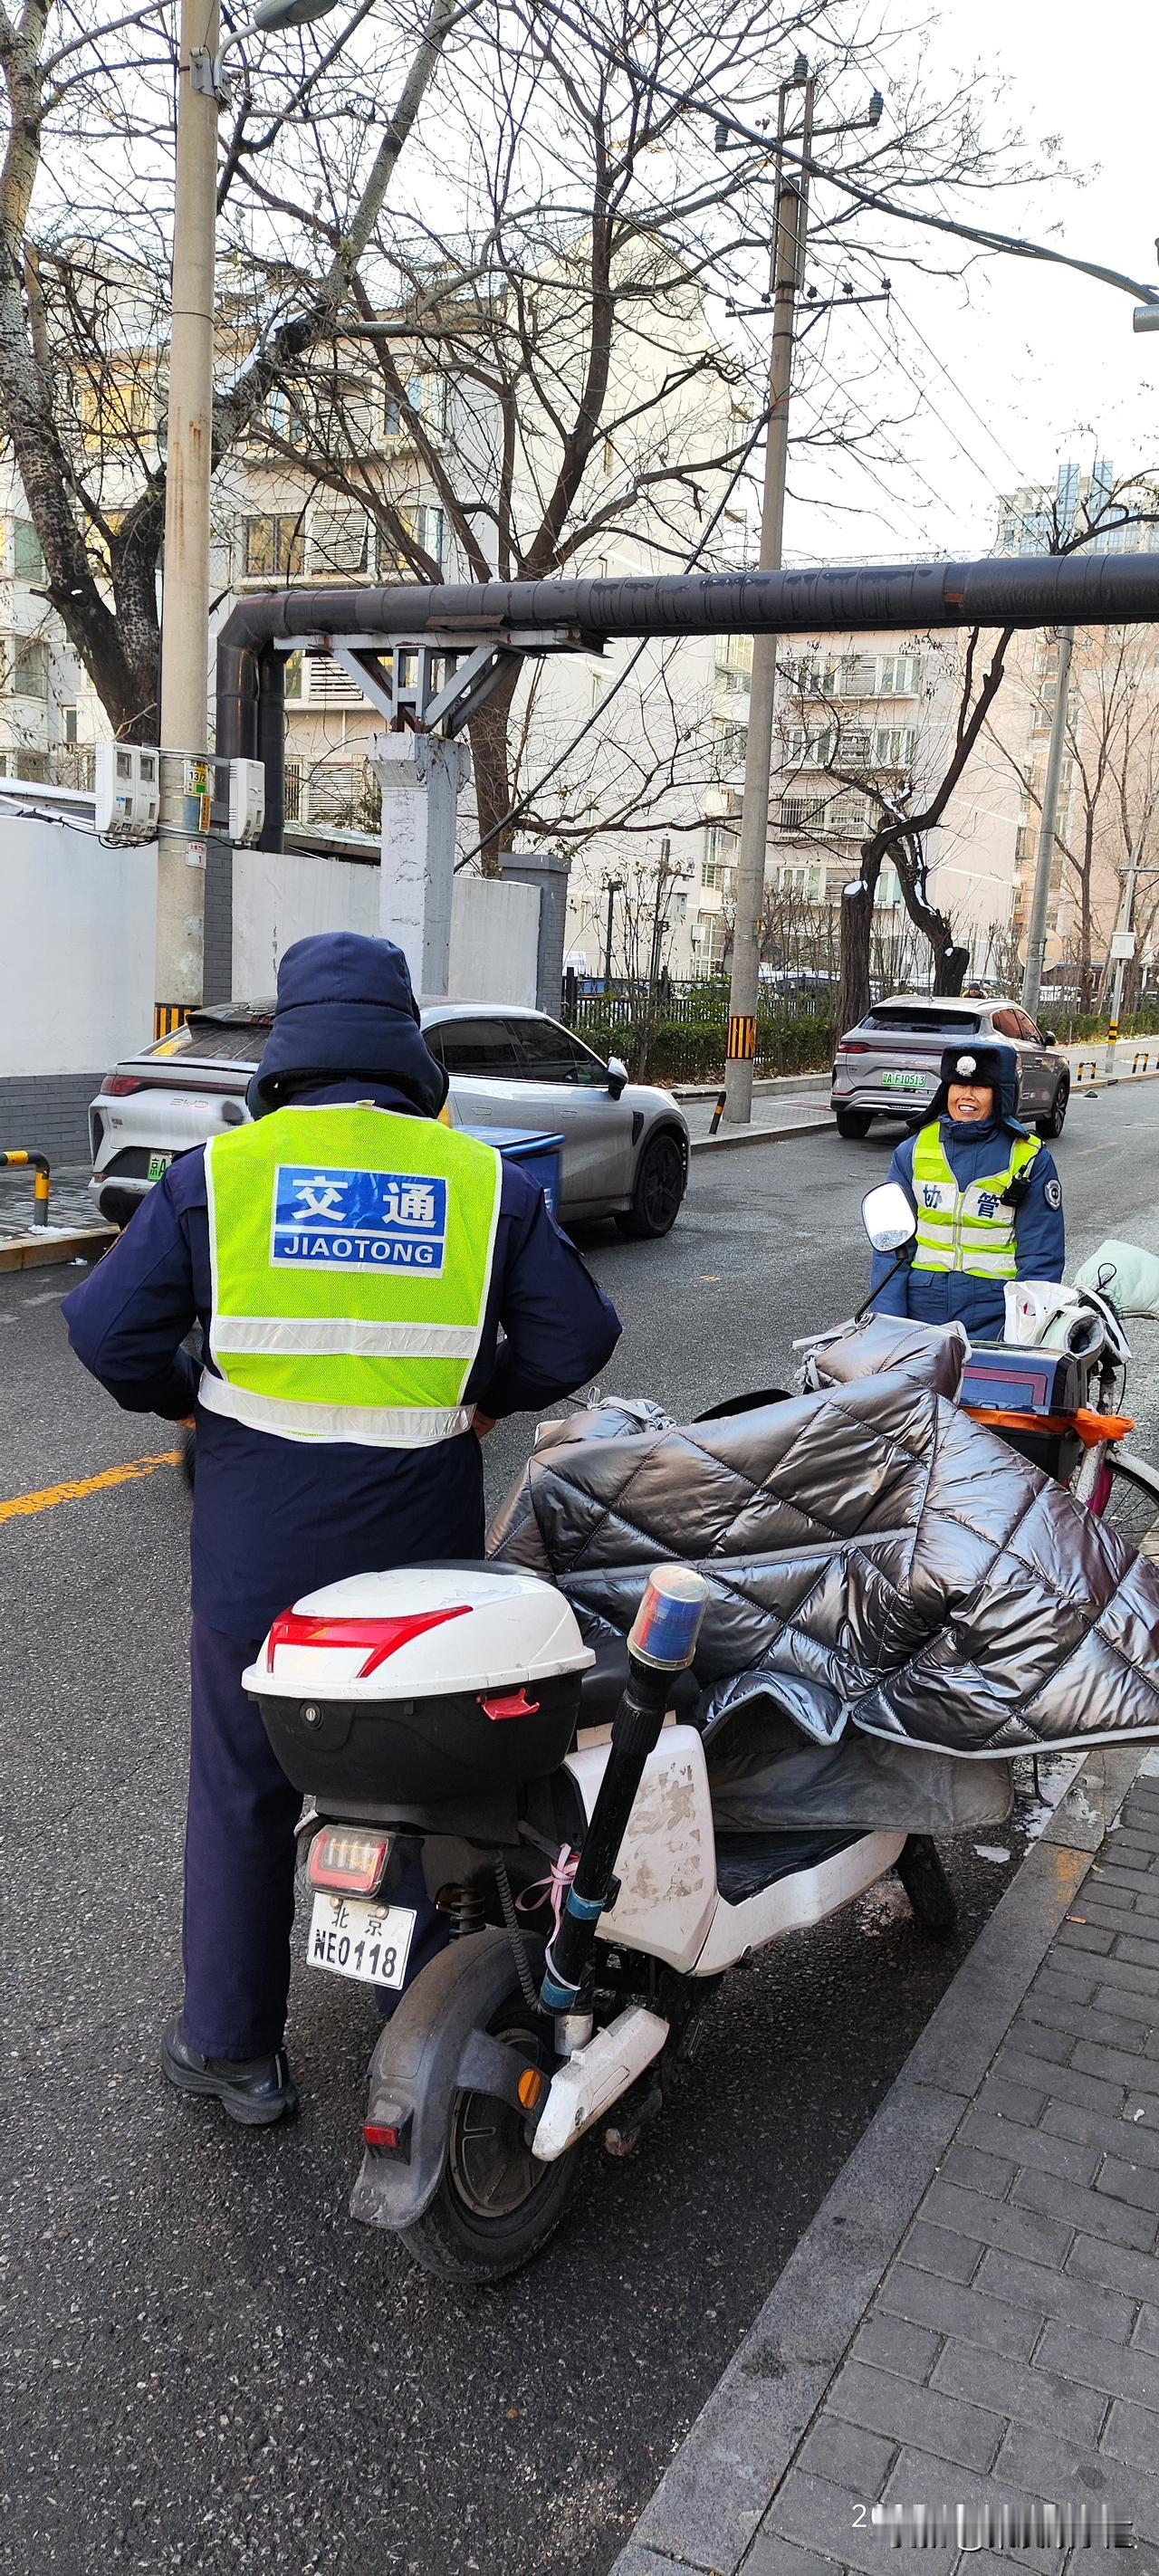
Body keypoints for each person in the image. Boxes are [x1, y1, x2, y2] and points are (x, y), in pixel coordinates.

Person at [63, 933, 621, 2127]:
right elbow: (578, 1338)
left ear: (287, 1043)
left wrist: (198, 1391)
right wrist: (485, 1394)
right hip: (418, 1541)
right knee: (422, 1782)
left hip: (257, 1543)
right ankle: (419, 2030)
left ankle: (234, 2050)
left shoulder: (219, 1178)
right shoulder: (480, 1184)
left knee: (244, 1787)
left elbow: (106, 1335)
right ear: (405, 1042)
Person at [869, 1039, 1064, 1342]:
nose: (966, 1096)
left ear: (1001, 1092)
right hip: (922, 1309)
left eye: (980, 1087)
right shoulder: (912, 1151)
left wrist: (1027, 1328)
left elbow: (1042, 1254)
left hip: (996, 1313)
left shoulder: (1030, 1158)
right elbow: (892, 1246)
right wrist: (888, 1321)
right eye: (957, 1085)